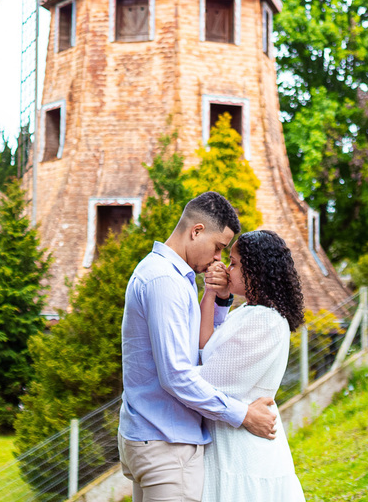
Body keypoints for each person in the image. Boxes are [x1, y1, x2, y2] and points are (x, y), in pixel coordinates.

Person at [118, 192, 278, 502]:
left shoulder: (173, 277)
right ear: (196, 231)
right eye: (219, 248)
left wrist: (216, 299)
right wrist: (244, 415)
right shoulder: (164, 280)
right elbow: (177, 375)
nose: (219, 259)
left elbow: (202, 351)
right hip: (167, 444)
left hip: (156, 439)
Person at [197, 230, 306, 502]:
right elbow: (204, 348)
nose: (226, 268)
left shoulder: (264, 321)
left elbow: (206, 381)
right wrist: (211, 295)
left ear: (254, 271)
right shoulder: (248, 312)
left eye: (234, 263)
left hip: (242, 452)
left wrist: (166, 373)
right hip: (231, 438)